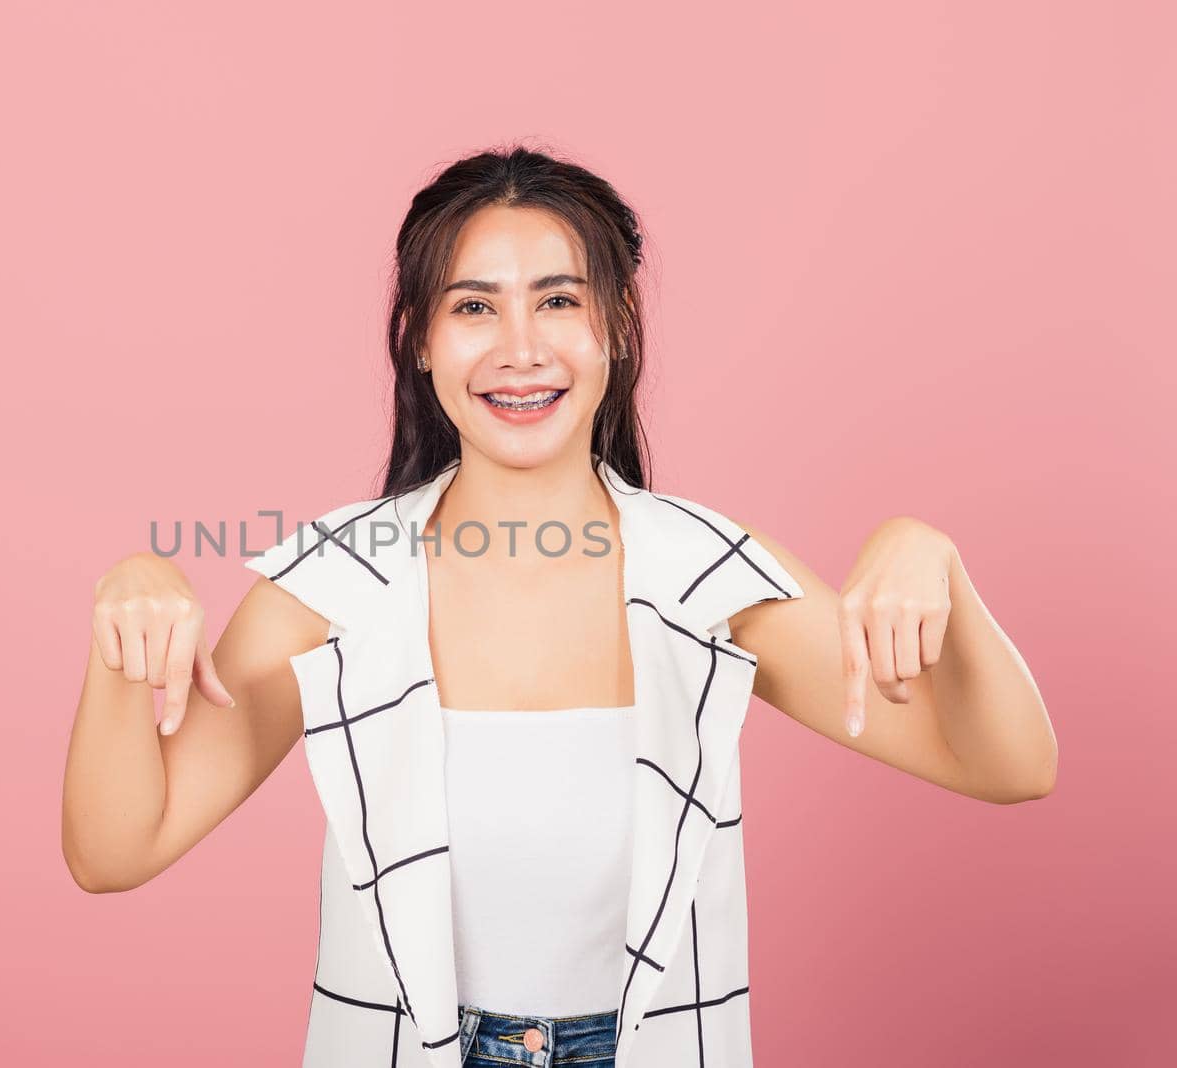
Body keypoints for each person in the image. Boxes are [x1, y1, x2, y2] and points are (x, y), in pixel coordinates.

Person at [60, 145, 1058, 1068]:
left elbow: (1010, 766)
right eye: (473, 307)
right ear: (416, 339)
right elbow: (114, 853)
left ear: (617, 326)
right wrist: (123, 624)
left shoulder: (706, 575)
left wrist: (932, 560)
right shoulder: (332, 584)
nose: (520, 348)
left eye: (557, 301)